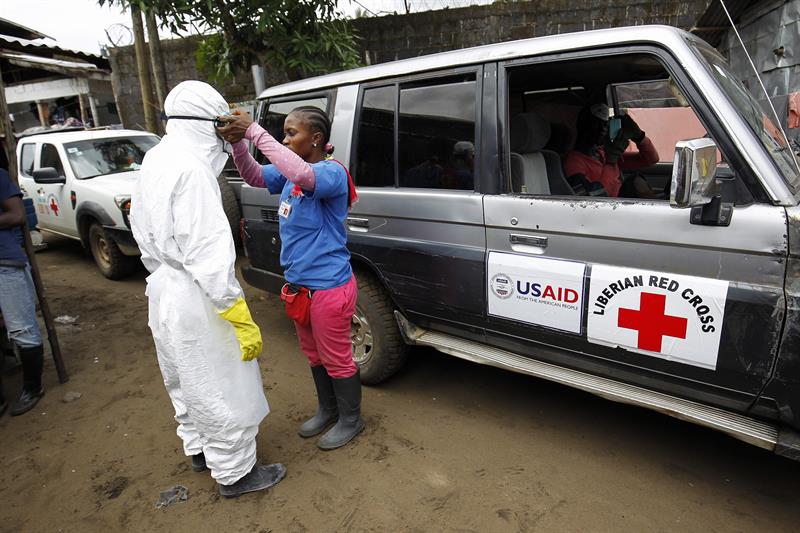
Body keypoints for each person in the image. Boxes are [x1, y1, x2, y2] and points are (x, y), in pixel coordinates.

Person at [129, 81, 285, 498]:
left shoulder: (157, 156)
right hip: (197, 295)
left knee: (184, 379)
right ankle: (236, 473)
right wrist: (236, 312)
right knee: (222, 383)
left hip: (163, 288)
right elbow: (209, 256)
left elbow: (141, 226)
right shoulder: (193, 172)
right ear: (207, 124)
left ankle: (199, 450)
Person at [217, 105, 364, 451]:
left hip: (329, 288)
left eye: (291, 133)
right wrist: (239, 143)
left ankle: (351, 419)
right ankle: (328, 410)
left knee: (336, 355)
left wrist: (254, 131)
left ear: (315, 139)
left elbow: (303, 175)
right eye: (283, 133)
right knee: (314, 354)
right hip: (300, 288)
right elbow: (254, 176)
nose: (284, 139)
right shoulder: (289, 174)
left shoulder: (330, 173)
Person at [0, 166, 45, 416]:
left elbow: (17, 215)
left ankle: (32, 387)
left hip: (5, 263)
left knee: (21, 327)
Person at [564, 103, 659, 198]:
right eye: (595, 124)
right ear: (582, 125)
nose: (602, 129)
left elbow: (651, 160)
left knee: (638, 180)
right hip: (608, 209)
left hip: (622, 204)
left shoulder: (603, 153)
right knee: (636, 182)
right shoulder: (574, 162)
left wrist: (639, 137)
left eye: (605, 125)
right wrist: (610, 162)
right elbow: (592, 199)